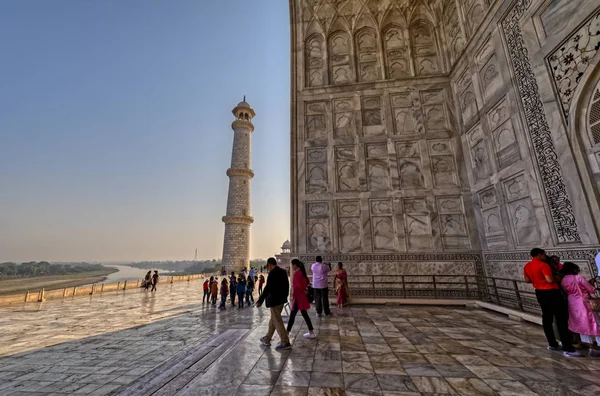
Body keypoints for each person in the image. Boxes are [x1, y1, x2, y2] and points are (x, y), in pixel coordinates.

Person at [524, 248, 581, 357]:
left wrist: (537, 280)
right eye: (544, 254)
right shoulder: (543, 265)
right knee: (561, 319)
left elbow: (527, 280)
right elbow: (550, 280)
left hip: (539, 293)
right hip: (551, 293)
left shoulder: (527, 266)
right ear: (539, 255)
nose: (545, 256)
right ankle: (568, 348)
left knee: (547, 318)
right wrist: (558, 278)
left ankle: (552, 344)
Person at [560, 262, 600, 357]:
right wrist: (592, 284)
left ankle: (591, 347)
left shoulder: (563, 280)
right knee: (595, 322)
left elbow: (567, 292)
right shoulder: (578, 277)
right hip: (584, 302)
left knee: (582, 325)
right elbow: (591, 290)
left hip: (573, 303)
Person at [256, 257, 291, 350]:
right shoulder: (283, 272)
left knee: (277, 321)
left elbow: (267, 288)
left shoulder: (272, 273)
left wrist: (260, 300)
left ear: (269, 264)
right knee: (273, 320)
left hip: (274, 301)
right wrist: (285, 296)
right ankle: (267, 339)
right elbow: (287, 285)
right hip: (281, 300)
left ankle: (285, 341)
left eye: (267, 266)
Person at [287, 259, 316, 339]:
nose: (291, 266)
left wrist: (294, 294)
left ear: (295, 265)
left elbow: (297, 286)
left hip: (298, 298)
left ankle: (286, 333)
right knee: (304, 315)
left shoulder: (297, 273)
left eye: (292, 265)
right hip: (301, 297)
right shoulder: (302, 272)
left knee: (292, 316)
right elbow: (307, 282)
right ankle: (311, 332)